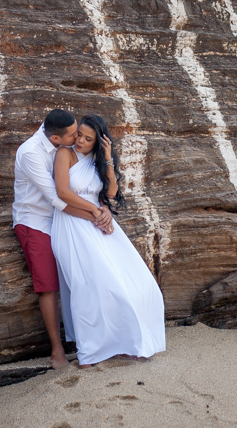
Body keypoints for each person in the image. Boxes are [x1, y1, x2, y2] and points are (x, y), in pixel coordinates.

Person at [51, 114, 166, 367]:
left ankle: (124, 341)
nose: (79, 140)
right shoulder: (64, 154)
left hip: (99, 222)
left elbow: (111, 193)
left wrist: (107, 159)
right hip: (73, 223)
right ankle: (89, 352)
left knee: (135, 280)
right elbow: (63, 192)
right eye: (79, 134)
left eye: (87, 138)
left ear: (98, 142)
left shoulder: (96, 159)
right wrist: (96, 211)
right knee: (88, 285)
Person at [13, 109, 113, 369]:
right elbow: (58, 199)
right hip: (35, 221)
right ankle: (57, 352)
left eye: (80, 132)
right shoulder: (30, 153)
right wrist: (96, 216)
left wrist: (104, 210)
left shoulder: (65, 147)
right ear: (56, 138)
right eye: (73, 134)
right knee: (48, 284)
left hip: (64, 220)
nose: (77, 137)